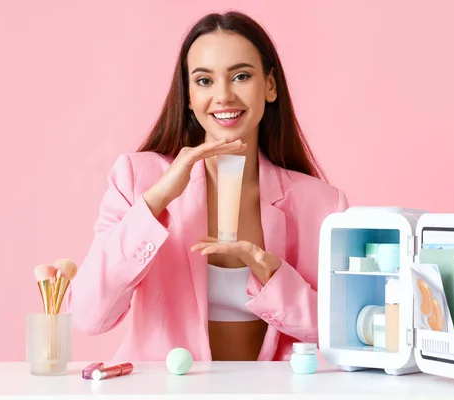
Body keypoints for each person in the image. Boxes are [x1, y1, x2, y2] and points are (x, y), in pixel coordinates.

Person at [66, 10, 348, 362]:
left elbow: (345, 333)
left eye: (241, 76)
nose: (223, 96)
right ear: (187, 95)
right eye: (204, 81)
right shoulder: (136, 178)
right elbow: (89, 315)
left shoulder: (322, 205)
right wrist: (157, 200)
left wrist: (274, 277)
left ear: (270, 86)